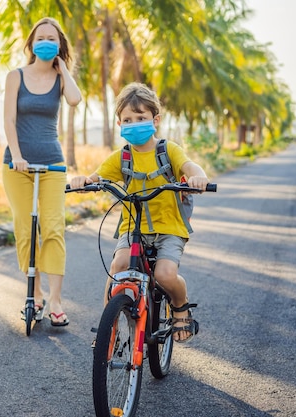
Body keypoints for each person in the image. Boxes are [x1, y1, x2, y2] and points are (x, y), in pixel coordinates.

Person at [69, 82, 208, 342]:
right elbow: (95, 177)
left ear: (155, 120)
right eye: (127, 120)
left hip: (168, 228)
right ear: (119, 124)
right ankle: (107, 330)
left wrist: (198, 178)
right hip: (133, 228)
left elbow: (190, 166)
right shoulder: (121, 157)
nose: (134, 124)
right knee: (118, 266)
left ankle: (180, 306)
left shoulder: (168, 150)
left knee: (164, 275)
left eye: (141, 118)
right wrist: (82, 182)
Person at [2, 17, 82, 327]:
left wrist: (63, 68)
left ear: (59, 45)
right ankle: (34, 294)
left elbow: (75, 99)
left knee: (53, 227)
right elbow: (9, 120)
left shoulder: (61, 78)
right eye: (40, 37)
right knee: (25, 228)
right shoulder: (15, 77)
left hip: (52, 164)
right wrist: (18, 156)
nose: (45, 41)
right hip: (17, 165)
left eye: (52, 38)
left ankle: (56, 300)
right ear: (31, 43)